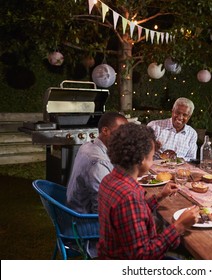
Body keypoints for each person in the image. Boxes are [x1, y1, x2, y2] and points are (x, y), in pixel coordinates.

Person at [98, 123, 199, 259]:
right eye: (152, 157)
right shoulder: (129, 197)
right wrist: (179, 225)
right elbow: (143, 256)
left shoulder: (110, 180)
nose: (153, 163)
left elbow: (133, 215)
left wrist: (159, 196)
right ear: (141, 160)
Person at [66, 112, 128, 214]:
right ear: (105, 131)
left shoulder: (88, 145)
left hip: (76, 209)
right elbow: (102, 210)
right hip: (87, 221)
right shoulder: (98, 164)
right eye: (121, 132)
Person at [147, 97, 197, 161]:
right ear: (172, 111)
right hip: (154, 168)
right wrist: (153, 148)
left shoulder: (192, 134)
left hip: (180, 169)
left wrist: (177, 160)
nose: (180, 117)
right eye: (177, 113)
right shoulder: (154, 126)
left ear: (189, 117)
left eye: (184, 115)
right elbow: (140, 152)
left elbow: (191, 158)